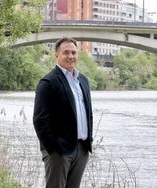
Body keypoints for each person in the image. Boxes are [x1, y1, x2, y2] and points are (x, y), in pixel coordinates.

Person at [33, 37, 93, 188]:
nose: (71, 56)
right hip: (59, 152)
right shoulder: (48, 82)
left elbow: (88, 114)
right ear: (57, 55)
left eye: (74, 52)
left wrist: (88, 142)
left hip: (81, 148)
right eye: (66, 52)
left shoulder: (83, 81)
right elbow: (40, 120)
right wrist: (53, 149)